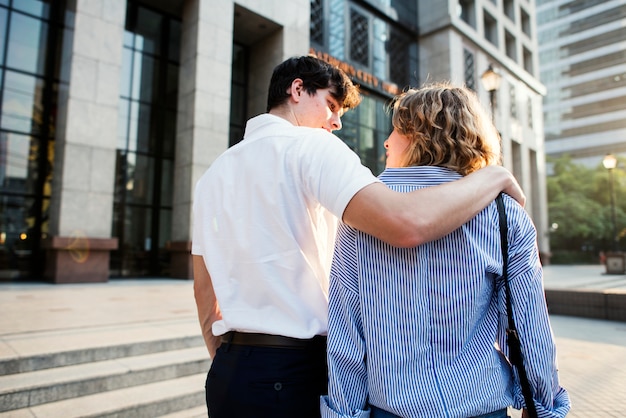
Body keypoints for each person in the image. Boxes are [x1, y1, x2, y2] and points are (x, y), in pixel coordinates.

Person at [192, 56, 525, 418]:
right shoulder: (312, 146)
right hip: (295, 372)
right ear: (298, 89)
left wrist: (229, 362)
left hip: (229, 373)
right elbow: (405, 222)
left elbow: (203, 290)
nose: (335, 123)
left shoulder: (213, 175)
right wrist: (493, 176)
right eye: (331, 106)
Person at [321, 83, 570, 418]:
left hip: (393, 407)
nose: (386, 141)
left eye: (395, 130)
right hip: (480, 402)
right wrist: (543, 403)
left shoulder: (366, 209)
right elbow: (529, 324)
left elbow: (346, 328)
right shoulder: (504, 213)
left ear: (416, 134)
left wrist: (345, 412)